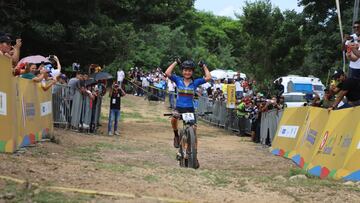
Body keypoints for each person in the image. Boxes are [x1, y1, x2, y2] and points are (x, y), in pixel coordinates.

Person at [165, 59, 211, 149]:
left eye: (189, 71)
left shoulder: (195, 82)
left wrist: (203, 66)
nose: (187, 72)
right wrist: (176, 62)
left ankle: (194, 155)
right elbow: (167, 73)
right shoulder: (178, 80)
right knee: (173, 119)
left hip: (190, 109)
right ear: (182, 71)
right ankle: (176, 136)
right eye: (185, 70)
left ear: (192, 72)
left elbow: (209, 77)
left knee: (193, 132)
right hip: (179, 108)